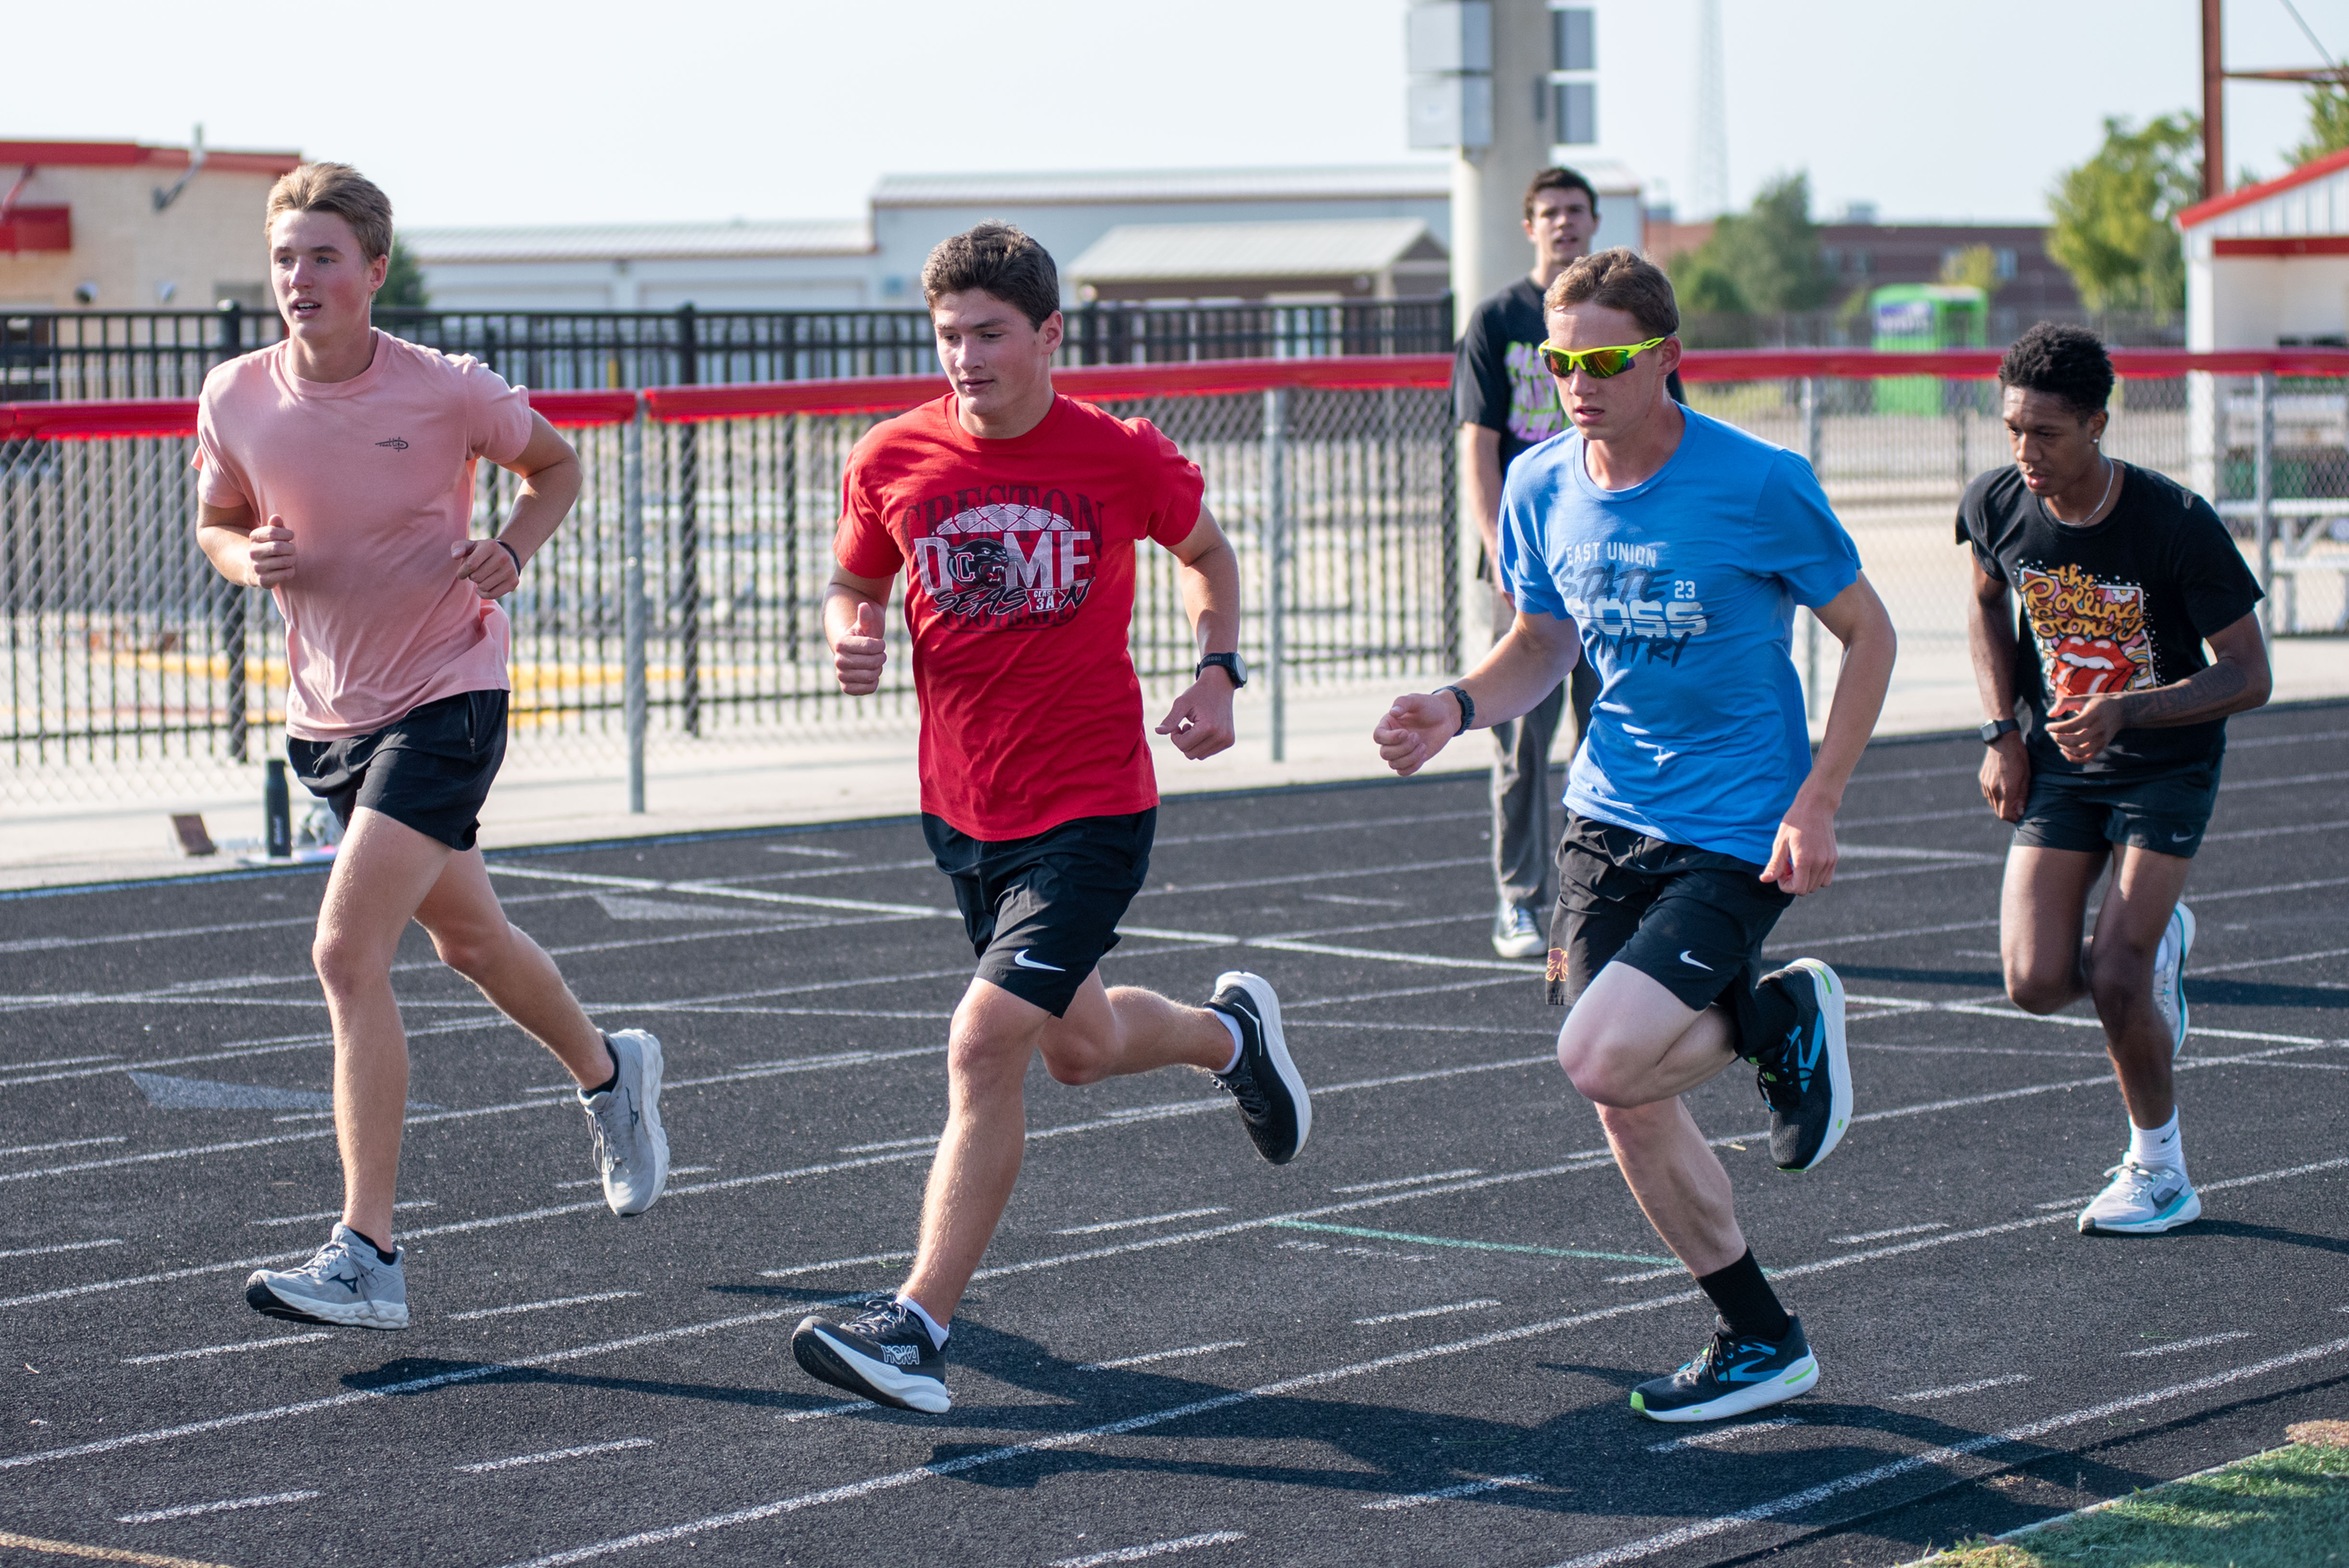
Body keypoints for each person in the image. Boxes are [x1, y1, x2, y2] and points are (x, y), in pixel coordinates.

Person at [791, 223, 1310, 1414]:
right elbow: (855, 576)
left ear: (1047, 336)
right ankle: (1234, 1037)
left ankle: (916, 1323)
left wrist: (1218, 669)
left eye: (988, 334)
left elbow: (1208, 552)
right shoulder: (890, 456)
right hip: (964, 812)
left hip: (1091, 807)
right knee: (1073, 1052)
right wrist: (846, 628)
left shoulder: (1117, 455)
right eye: (947, 336)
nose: (965, 357)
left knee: (981, 1046)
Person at [1376, 248, 1897, 1424]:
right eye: (1560, 361)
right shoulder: (1539, 485)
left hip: (1736, 825)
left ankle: (1777, 1012)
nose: (1578, 381)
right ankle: (1762, 1336)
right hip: (1606, 814)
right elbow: (1545, 647)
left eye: (1605, 359)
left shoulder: (1759, 482)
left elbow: (1869, 636)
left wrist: (1817, 799)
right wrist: (1455, 705)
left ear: (1669, 358)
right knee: (1623, 1091)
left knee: (1600, 1055)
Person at [194, 164, 670, 1331]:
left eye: (320, 257)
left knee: (345, 951)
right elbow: (215, 517)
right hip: (329, 717)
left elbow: (554, 466)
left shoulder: (447, 389)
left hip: (450, 690)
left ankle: (369, 1254)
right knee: (469, 940)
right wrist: (240, 557)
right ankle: (613, 1073)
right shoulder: (235, 394)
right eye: (284, 258)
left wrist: (512, 547)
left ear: (371, 272)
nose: (298, 278)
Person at [1961, 323, 2268, 1237]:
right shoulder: (1997, 504)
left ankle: (2160, 1169)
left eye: (2046, 434)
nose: (2025, 453)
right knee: (2032, 979)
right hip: (2062, 763)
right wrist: (2000, 735)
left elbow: (2247, 675)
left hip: (2163, 763)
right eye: (2012, 428)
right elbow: (1985, 604)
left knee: (2116, 973)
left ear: (2097, 423)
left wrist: (2127, 710)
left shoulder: (2175, 523)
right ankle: (2163, 939)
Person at [1455, 168, 1682, 959]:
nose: (1563, 223)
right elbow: (1477, 447)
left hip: (1614, 557)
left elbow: (1669, 431)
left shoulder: (1629, 316)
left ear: (1591, 222)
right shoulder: (1497, 320)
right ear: (1529, 226)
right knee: (1518, 736)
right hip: (1534, 553)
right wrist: (1501, 553)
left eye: (1575, 211)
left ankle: (1630, 891)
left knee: (1613, 723)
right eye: (1548, 212)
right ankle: (1519, 898)